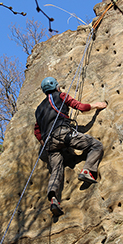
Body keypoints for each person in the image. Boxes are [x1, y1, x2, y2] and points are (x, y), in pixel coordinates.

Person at [34, 77, 107, 216]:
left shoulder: (38, 109)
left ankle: (54, 199)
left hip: (49, 143)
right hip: (63, 133)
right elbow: (81, 107)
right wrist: (96, 105)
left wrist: (46, 143)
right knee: (95, 145)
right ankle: (87, 170)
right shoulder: (60, 96)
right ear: (56, 86)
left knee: (56, 169)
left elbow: (37, 131)